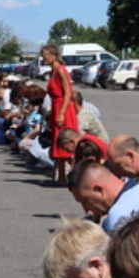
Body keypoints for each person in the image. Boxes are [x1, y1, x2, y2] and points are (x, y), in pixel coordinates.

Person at [69, 159, 139, 232]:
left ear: (99, 190)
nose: (87, 210)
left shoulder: (119, 215)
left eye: (85, 201)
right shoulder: (138, 188)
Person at [41, 44, 79, 184]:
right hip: (56, 105)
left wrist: (62, 113)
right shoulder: (52, 72)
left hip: (64, 107)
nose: (43, 59)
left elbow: (68, 92)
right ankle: (61, 176)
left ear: (54, 56)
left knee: (66, 140)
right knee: (58, 141)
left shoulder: (61, 70)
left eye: (45, 56)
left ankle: (76, 174)